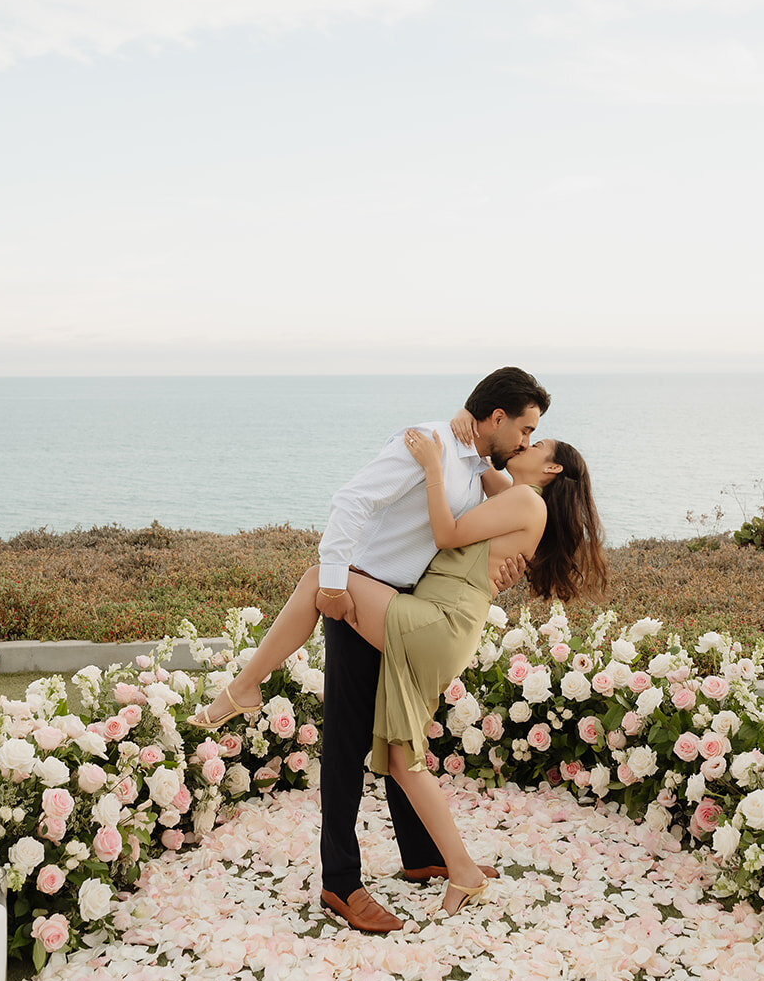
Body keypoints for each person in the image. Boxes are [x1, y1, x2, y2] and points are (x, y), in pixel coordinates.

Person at [192, 369, 602, 926]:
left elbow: (465, 531)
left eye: (536, 438)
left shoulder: (493, 479)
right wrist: (335, 583)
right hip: (370, 596)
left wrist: (486, 542)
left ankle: (245, 688)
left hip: (416, 614)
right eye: (526, 430)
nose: (527, 442)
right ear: (497, 418)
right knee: (370, 743)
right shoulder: (438, 448)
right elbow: (352, 501)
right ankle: (364, 876)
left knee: (387, 737)